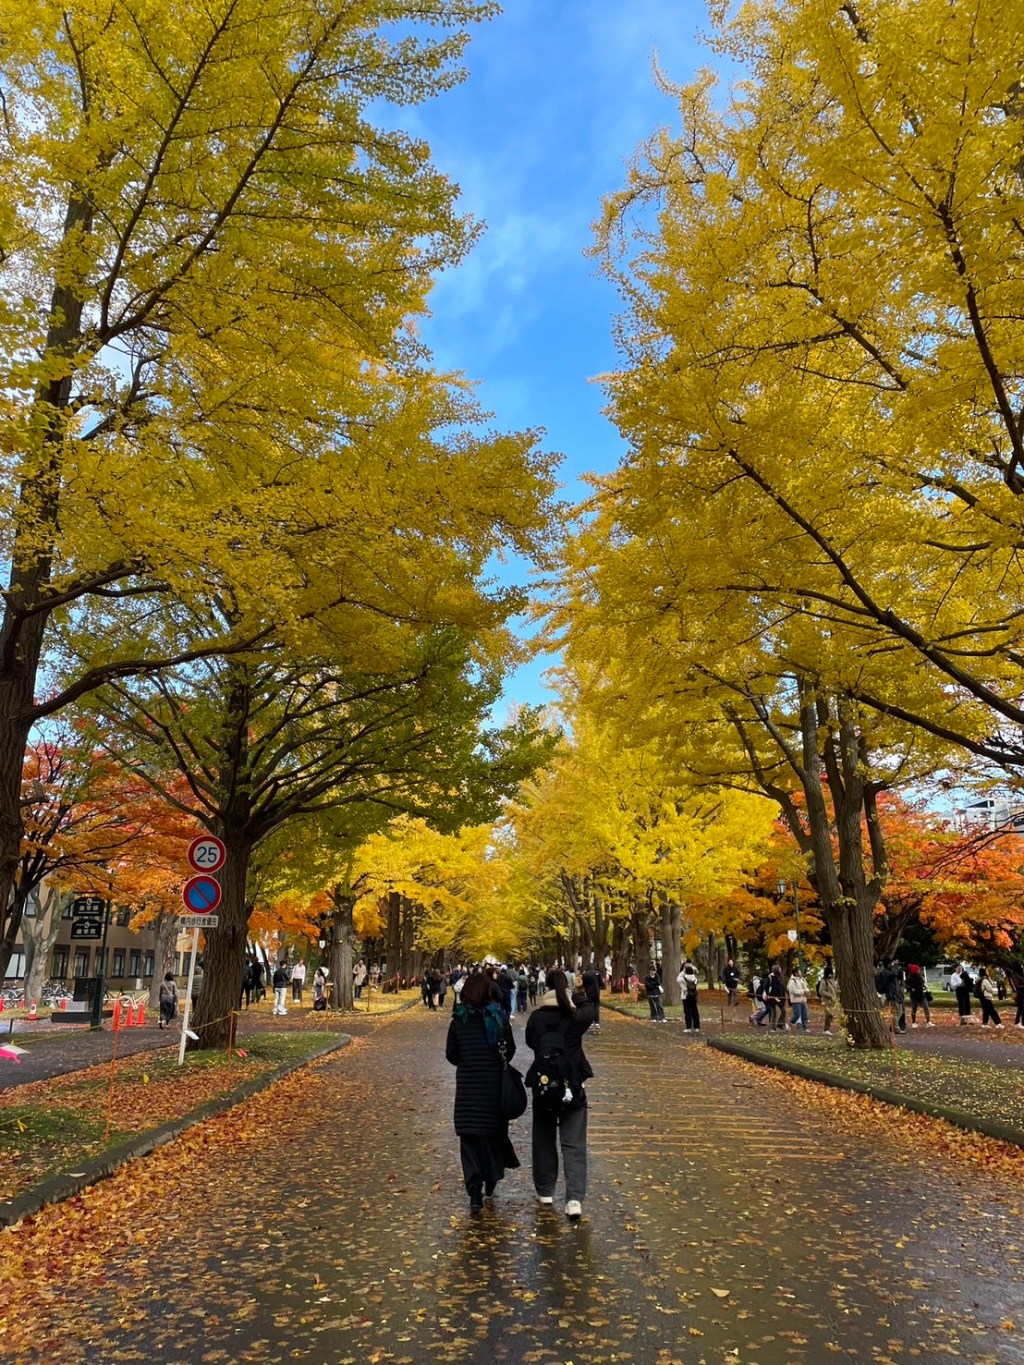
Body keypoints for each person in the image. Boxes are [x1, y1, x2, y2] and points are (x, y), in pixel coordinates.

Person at [445, 971, 520, 1213]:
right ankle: (491, 1178)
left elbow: (451, 1054)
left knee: (469, 1142)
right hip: (493, 1091)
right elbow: (510, 1051)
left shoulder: (459, 1021)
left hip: (468, 1091)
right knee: (492, 1137)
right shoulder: (498, 1020)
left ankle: (475, 1191)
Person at [524, 968, 596, 1219]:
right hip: (572, 1085)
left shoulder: (536, 1019)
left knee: (543, 1139)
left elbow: (531, 1043)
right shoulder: (576, 1018)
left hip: (544, 1086)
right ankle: (574, 1199)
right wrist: (577, 995)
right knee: (574, 1143)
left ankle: (545, 1191)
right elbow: (591, 1009)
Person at [678, 961, 700, 1032]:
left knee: (687, 1011)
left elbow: (677, 979)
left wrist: (683, 970)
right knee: (695, 1011)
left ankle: (688, 1027)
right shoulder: (695, 979)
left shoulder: (683, 979)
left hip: (686, 996)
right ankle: (697, 1027)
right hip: (693, 996)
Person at [817, 962, 838, 1035]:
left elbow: (835, 989)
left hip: (834, 1000)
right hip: (827, 1000)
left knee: (832, 1014)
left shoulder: (833, 980)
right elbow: (821, 991)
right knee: (828, 1014)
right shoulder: (824, 981)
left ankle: (828, 1028)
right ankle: (826, 1029)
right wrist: (830, 995)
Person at [787, 965, 809, 1032]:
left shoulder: (802, 980)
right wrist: (803, 992)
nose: (800, 972)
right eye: (799, 971)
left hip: (803, 1000)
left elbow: (806, 987)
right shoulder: (792, 981)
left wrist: (807, 991)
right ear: (796, 973)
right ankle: (790, 1022)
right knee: (797, 1014)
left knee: (804, 1014)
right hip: (796, 1000)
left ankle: (805, 1028)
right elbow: (793, 991)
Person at [581, 962, 602, 1030]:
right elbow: (601, 982)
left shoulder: (585, 974)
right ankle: (597, 1022)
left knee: (589, 1006)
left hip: (589, 992)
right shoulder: (597, 973)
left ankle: (590, 1022)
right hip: (596, 992)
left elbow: (583, 984)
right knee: (596, 1006)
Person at [764, 964, 786, 1030]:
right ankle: (772, 1027)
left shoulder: (781, 977)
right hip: (773, 998)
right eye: (779, 968)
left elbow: (782, 988)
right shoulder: (771, 977)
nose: (780, 969)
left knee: (783, 1011)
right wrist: (768, 994)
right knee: (774, 1012)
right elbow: (765, 986)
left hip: (781, 998)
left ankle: (780, 1024)